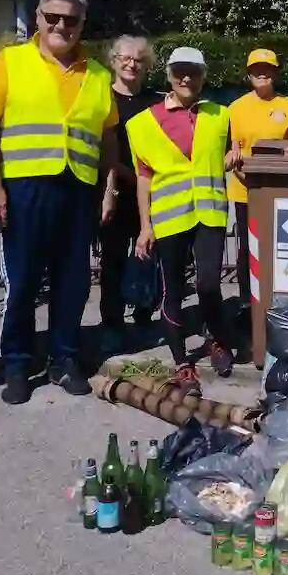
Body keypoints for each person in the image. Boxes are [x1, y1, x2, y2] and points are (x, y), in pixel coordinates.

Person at [0, 0, 119, 405]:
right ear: (37, 18)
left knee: (72, 282)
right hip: (24, 187)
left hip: (78, 188)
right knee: (21, 281)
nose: (60, 26)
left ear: (81, 25)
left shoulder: (97, 73)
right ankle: (17, 363)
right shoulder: (10, 62)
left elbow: (108, 138)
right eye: (52, 17)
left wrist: (107, 189)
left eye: (70, 20)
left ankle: (64, 358)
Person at [130, 48, 241, 396]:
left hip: (209, 211)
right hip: (169, 217)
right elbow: (143, 177)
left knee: (209, 283)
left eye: (193, 72)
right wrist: (145, 226)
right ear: (168, 75)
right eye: (180, 71)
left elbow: (218, 158)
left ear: (204, 76)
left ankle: (217, 340)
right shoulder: (143, 122)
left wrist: (233, 157)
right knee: (172, 290)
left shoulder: (220, 115)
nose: (186, 79)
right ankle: (181, 362)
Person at [227, 48, 288, 351]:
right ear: (248, 74)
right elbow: (231, 149)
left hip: (279, 192)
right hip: (244, 190)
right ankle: (248, 308)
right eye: (256, 68)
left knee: (278, 252)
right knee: (248, 251)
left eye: (268, 68)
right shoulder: (235, 108)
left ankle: (281, 308)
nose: (262, 73)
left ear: (276, 72)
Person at [100, 36, 162, 353]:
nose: (131, 64)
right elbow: (102, 152)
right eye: (125, 58)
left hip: (149, 193)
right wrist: (119, 181)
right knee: (112, 258)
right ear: (113, 60)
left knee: (148, 257)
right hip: (115, 189)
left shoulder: (155, 103)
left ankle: (143, 315)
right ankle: (111, 321)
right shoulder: (103, 99)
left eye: (138, 59)